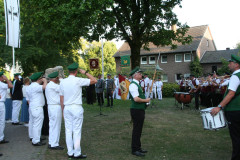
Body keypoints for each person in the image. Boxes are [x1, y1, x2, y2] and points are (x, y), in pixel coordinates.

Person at [60, 63, 97, 159]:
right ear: (76, 71)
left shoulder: (63, 82)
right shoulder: (78, 80)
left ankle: (70, 152)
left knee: (68, 130)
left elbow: (61, 97)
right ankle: (76, 153)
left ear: (69, 71)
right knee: (76, 131)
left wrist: (62, 110)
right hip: (76, 107)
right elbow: (94, 80)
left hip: (67, 107)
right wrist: (86, 72)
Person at [211, 54, 240, 160]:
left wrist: (219, 106)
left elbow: (231, 94)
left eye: (230, 63)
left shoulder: (236, 76)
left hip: (235, 110)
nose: (228, 65)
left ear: (236, 65)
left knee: (236, 137)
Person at [129, 67, 150, 157]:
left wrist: (146, 103)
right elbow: (136, 99)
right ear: (136, 75)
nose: (141, 75)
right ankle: (135, 149)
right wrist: (146, 100)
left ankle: (138, 147)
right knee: (137, 130)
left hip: (139, 110)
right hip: (136, 110)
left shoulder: (137, 84)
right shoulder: (133, 85)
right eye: (140, 73)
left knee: (139, 129)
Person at [26, 72, 47, 146]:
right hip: (37, 107)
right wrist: (45, 81)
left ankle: (32, 136)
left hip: (32, 106)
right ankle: (36, 140)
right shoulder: (36, 86)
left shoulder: (29, 87)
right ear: (39, 79)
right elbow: (44, 87)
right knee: (37, 124)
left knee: (32, 122)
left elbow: (27, 99)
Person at [45, 71, 64, 150]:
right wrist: (62, 80)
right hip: (55, 107)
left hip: (51, 107)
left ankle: (51, 142)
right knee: (56, 125)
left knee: (52, 125)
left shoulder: (49, 85)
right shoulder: (53, 86)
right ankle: (54, 144)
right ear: (55, 78)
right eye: (57, 78)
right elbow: (63, 88)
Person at [0, 71, 13, 144]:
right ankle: (1, 138)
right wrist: (7, 79)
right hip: (1, 103)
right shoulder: (1, 84)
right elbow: (11, 86)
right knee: (1, 121)